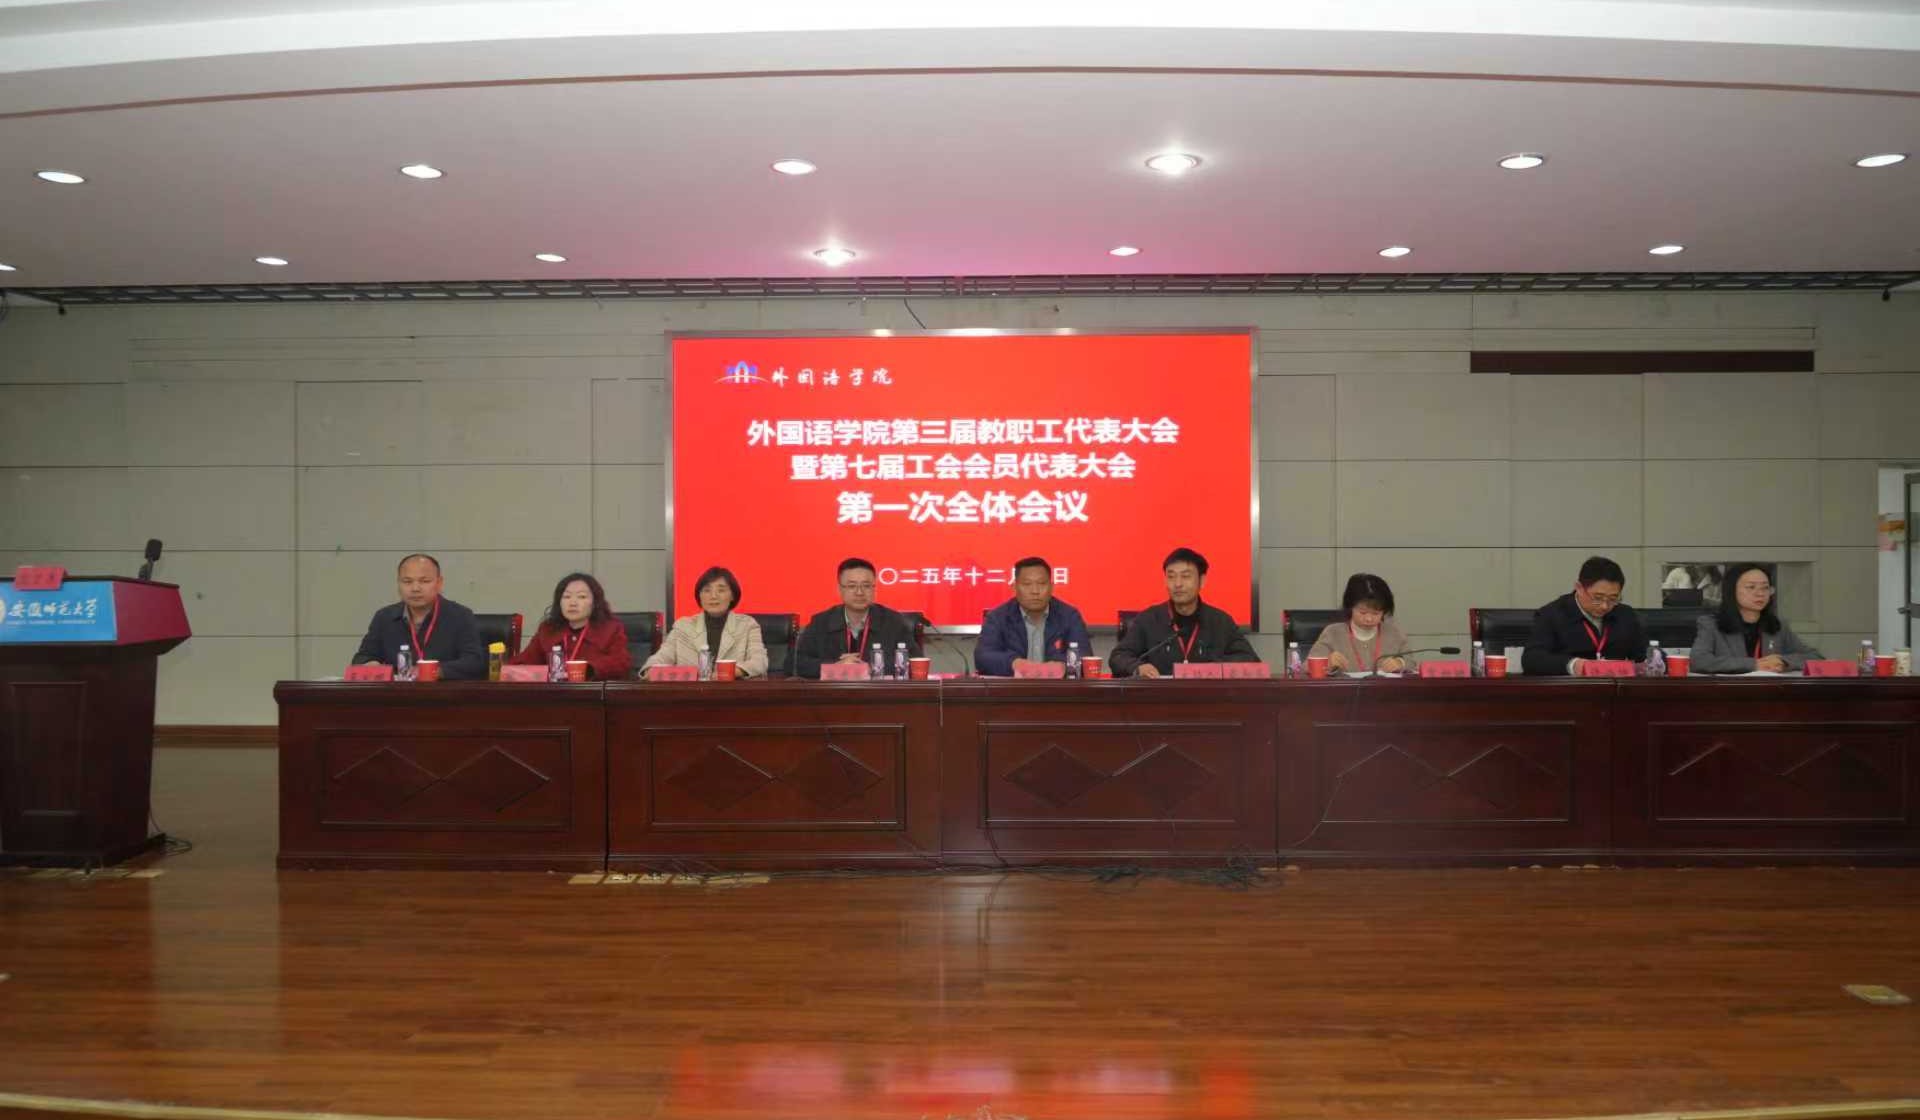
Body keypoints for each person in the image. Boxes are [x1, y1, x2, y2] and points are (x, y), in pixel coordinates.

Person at [1108, 547, 1258, 678]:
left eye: (1186, 576)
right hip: (1159, 699)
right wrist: (1138, 667)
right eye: (1171, 576)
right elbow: (1118, 657)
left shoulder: (1220, 622)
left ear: (1202, 581)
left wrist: (1213, 668)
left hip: (1207, 699)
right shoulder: (1149, 619)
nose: (1177, 584)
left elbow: (1250, 660)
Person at [351, 553, 487, 679]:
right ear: (398, 584)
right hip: (397, 693)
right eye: (407, 582)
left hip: (444, 693)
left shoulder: (460, 616)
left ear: (439, 583)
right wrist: (370, 664)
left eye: (424, 581)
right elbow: (361, 658)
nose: (415, 588)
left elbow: (474, 662)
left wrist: (434, 671)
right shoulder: (384, 617)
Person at [794, 557, 922, 678]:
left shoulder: (893, 621)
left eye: (866, 586)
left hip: (877, 692)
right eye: (852, 586)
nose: (859, 592)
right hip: (833, 692)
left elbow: (915, 661)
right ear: (839, 589)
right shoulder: (821, 622)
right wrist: (835, 667)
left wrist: (870, 668)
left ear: (874, 589)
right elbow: (794, 664)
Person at [1521, 555, 1649, 676]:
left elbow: (1642, 659)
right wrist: (1573, 665)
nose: (1605, 606)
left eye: (1613, 598)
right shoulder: (1551, 615)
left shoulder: (1626, 616)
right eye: (1598, 598)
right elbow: (1531, 660)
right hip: (1571, 689)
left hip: (1616, 689)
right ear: (1579, 588)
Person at [1688, 563, 1823, 674]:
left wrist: (1783, 661)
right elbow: (1698, 661)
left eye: (1765, 588)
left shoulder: (1778, 626)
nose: (1760, 593)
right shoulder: (1711, 624)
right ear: (1732, 590)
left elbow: (1816, 658)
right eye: (1751, 587)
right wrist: (1754, 664)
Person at [642, 565, 769, 679]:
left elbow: (760, 661)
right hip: (691, 694)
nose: (713, 596)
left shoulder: (747, 625)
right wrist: (650, 669)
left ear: (732, 596)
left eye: (721, 590)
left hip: (732, 693)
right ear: (700, 596)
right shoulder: (683, 626)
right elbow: (662, 656)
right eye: (707, 590)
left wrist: (733, 672)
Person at [974, 556, 1094, 676]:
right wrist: (1015, 664)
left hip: (1056, 687)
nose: (1035, 591)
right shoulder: (997, 617)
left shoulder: (1069, 616)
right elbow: (983, 657)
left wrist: (1061, 666)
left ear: (1052, 587)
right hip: (1013, 687)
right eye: (1027, 584)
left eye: (1042, 583)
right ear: (1014, 587)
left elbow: (1084, 655)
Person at [509, 571, 632, 680]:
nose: (573, 603)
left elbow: (622, 663)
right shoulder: (548, 630)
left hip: (594, 694)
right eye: (566, 597)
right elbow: (524, 662)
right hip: (554, 694)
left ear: (595, 603)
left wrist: (588, 669)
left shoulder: (610, 628)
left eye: (581, 597)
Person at [1310, 573, 1411, 674]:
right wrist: (1327, 663)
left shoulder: (1394, 633)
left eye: (1376, 613)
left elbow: (1412, 663)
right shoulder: (1333, 633)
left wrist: (1400, 663)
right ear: (1350, 607)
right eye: (1362, 612)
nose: (1369, 619)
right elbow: (1306, 667)